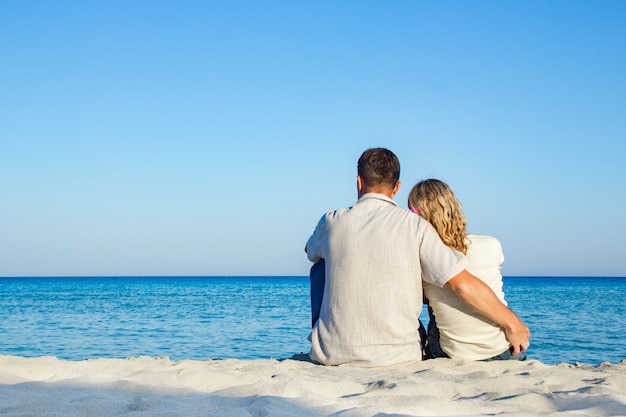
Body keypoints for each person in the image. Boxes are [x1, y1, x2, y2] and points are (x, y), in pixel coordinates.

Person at [305, 148, 530, 367]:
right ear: (396, 188)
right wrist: (513, 323)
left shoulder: (331, 221)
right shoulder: (415, 226)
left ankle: (328, 336)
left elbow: (309, 250)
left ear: (359, 182)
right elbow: (461, 284)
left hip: (331, 354)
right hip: (400, 356)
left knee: (320, 265)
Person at [408, 179, 526, 361]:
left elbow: (423, 297)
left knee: (434, 307)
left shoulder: (422, 258)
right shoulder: (490, 244)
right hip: (503, 348)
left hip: (456, 355)